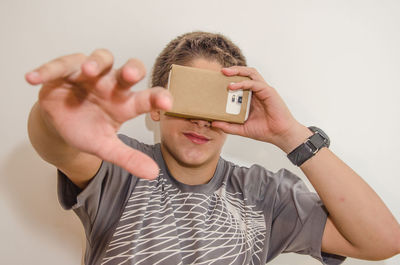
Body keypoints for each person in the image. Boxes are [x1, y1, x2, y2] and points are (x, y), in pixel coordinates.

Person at [26, 31, 400, 265]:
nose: (201, 120)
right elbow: (59, 146)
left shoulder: (265, 195)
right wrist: (56, 117)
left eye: (216, 103)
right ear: (156, 106)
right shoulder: (121, 166)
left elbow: (383, 241)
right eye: (189, 98)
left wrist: (290, 135)